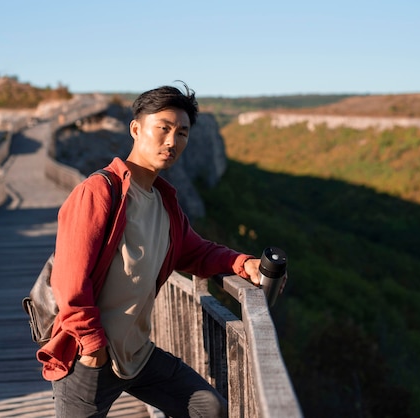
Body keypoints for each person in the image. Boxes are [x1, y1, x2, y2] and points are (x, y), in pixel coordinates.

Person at [36, 83, 284, 417]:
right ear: (136, 129)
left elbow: (197, 252)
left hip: (137, 354)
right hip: (89, 357)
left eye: (182, 133)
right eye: (163, 129)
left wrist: (243, 263)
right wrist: (93, 347)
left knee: (207, 407)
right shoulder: (99, 191)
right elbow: (69, 282)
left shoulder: (164, 202)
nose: (172, 141)